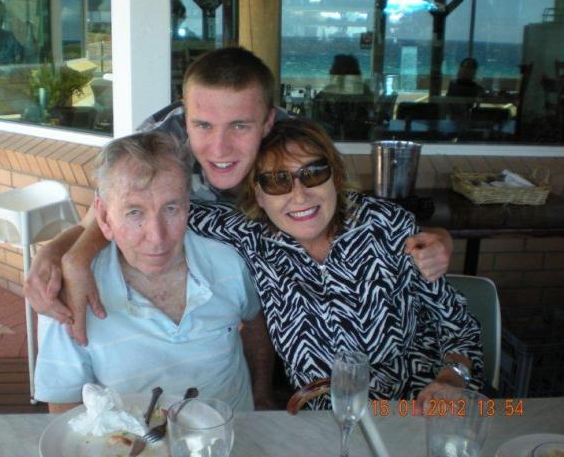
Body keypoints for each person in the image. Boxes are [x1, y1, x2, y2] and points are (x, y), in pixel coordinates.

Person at [24, 47, 453, 349]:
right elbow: (110, 210)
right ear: (185, 118)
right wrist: (66, 253)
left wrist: (433, 237)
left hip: (291, 311)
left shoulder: (293, 147)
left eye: (240, 127)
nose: (220, 148)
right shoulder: (162, 138)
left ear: (268, 122)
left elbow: (344, 210)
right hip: (208, 310)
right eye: (203, 126)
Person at [188, 118, 484, 410]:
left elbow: (460, 326)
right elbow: (170, 203)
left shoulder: (386, 226)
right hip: (319, 421)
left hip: (408, 411)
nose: (299, 195)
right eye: (277, 181)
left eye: (314, 173)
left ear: (336, 177)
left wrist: (452, 379)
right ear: (259, 195)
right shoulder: (251, 235)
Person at [34, 131, 263, 413]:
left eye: (171, 209)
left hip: (234, 434)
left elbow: (255, 323)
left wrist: (262, 395)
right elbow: (64, 407)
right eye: (134, 213)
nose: (157, 237)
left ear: (188, 206)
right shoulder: (69, 293)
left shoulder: (229, 264)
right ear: (104, 217)